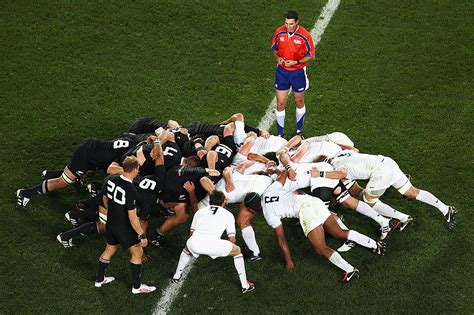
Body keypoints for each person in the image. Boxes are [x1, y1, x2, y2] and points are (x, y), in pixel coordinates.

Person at [243, 169, 385, 283]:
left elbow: (281, 239)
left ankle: (349, 270)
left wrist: (288, 261)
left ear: (252, 209)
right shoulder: (269, 190)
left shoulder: (268, 213)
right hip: (314, 201)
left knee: (320, 248)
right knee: (339, 232)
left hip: (305, 210)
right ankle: (375, 245)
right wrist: (288, 170)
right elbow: (285, 173)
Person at [319, 150, 458, 230]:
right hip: (387, 162)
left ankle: (403, 218)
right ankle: (446, 209)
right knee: (411, 192)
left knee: (369, 202)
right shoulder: (342, 153)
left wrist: (320, 174)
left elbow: (342, 174)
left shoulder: (334, 167)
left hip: (380, 173)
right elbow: (355, 152)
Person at [171, 190, 255, 293]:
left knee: (187, 248)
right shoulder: (228, 215)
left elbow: (191, 234)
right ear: (223, 202)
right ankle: (245, 286)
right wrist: (226, 248)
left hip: (195, 244)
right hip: (215, 246)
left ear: (210, 201)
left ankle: (176, 276)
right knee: (237, 251)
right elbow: (232, 239)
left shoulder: (199, 212)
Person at [94, 156, 156, 294]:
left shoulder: (112, 178)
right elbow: (132, 217)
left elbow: (103, 197)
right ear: (134, 169)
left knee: (109, 250)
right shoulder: (131, 189)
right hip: (124, 227)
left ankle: (99, 279)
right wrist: (142, 235)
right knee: (137, 253)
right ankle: (137, 287)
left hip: (111, 223)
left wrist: (111, 211)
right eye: (138, 168)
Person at [271, 10, 315, 137]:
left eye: (291, 24)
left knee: (299, 101)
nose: (288, 26)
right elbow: (274, 48)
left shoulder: (305, 35)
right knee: (280, 103)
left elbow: (310, 55)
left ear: (297, 22)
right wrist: (277, 58)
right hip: (282, 72)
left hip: (298, 73)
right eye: (286, 23)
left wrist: (295, 62)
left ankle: (298, 131)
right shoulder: (279, 32)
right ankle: (280, 134)